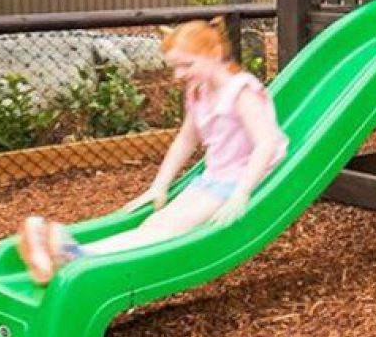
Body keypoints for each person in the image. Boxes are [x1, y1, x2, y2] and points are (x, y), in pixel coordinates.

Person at [15, 17, 287, 285]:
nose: (178, 74)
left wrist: (242, 193)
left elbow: (266, 143)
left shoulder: (241, 92)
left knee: (170, 231)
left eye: (187, 65)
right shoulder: (199, 91)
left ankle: (73, 255)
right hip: (215, 177)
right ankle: (66, 248)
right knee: (156, 223)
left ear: (214, 54)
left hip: (244, 177)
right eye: (175, 67)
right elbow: (185, 140)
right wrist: (159, 186)